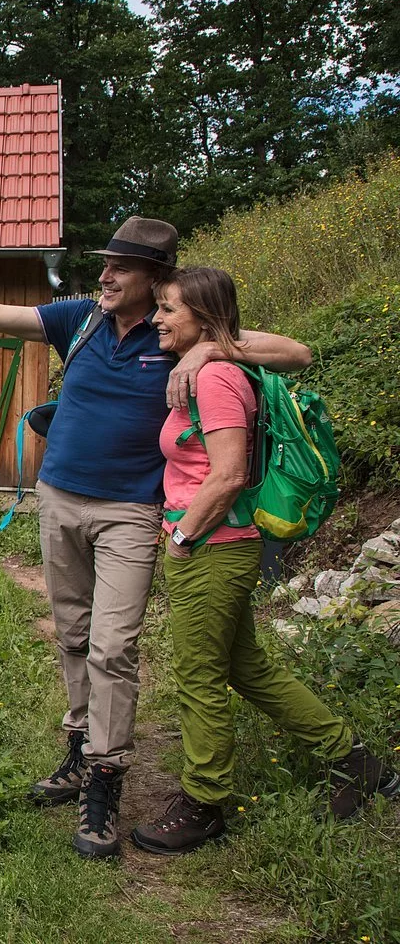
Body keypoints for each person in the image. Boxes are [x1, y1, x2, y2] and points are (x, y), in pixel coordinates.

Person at [0, 217, 312, 859]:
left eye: (118, 268)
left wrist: (214, 348)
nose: (103, 276)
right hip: (58, 498)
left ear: (154, 280)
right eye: (104, 264)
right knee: (72, 632)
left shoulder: (177, 332)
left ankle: (104, 780)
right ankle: (77, 750)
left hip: (130, 511)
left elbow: (297, 353)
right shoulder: (82, 318)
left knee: (113, 646)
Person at [127, 267, 398, 854]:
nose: (156, 319)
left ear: (201, 315)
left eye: (169, 309)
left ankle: (204, 803)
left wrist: (182, 537)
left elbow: (226, 475)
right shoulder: (217, 364)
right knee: (248, 669)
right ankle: (356, 761)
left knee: (199, 678)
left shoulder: (217, 377)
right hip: (217, 542)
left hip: (213, 546)